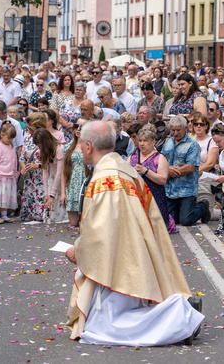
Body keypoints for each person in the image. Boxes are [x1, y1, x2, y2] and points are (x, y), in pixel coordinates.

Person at [64, 120, 203, 345]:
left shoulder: (106, 178)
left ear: (88, 146)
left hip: (120, 258)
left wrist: (78, 249)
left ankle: (180, 318)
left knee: (107, 323)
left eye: (81, 144)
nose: (81, 148)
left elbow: (102, 230)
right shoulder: (126, 169)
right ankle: (179, 313)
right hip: (136, 249)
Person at [161, 116, 209, 226]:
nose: (175, 132)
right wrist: (167, 169)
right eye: (173, 130)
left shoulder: (193, 144)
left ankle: (202, 207)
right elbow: (161, 161)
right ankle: (180, 211)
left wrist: (172, 171)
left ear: (186, 128)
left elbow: (191, 167)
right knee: (170, 220)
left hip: (186, 190)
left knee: (186, 221)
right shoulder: (167, 143)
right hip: (170, 190)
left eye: (178, 130)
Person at [129, 124, 176, 234]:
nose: (142, 144)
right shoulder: (133, 156)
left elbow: (163, 179)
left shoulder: (160, 157)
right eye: (140, 140)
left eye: (145, 141)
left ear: (153, 142)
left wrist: (145, 171)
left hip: (154, 196)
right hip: (136, 196)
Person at [35, 127, 67, 224]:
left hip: (61, 180)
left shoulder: (59, 149)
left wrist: (51, 195)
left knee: (58, 205)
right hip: (53, 179)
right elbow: (45, 171)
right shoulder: (45, 150)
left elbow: (59, 173)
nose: (40, 148)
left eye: (40, 146)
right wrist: (46, 193)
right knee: (50, 205)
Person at [62, 117, 89, 228]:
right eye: (76, 126)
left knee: (85, 222)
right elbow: (64, 171)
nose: (78, 129)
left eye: (82, 127)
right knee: (73, 223)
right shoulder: (68, 147)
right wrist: (63, 193)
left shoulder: (90, 147)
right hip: (72, 185)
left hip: (85, 183)